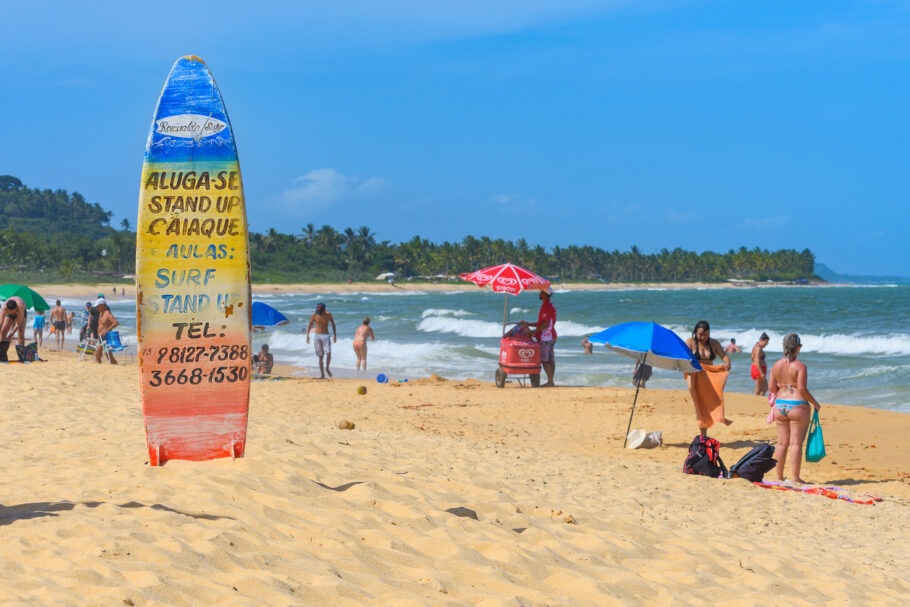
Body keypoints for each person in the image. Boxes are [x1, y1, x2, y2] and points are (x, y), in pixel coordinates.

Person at [769, 333, 820, 484]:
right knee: (796, 443)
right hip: (797, 405)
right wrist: (815, 403)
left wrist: (783, 386)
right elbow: (803, 390)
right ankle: (795, 478)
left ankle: (778, 477)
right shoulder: (800, 366)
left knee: (781, 443)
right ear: (797, 347)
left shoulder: (776, 365)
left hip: (780, 405)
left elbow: (772, 388)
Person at [685, 320, 733, 435]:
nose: (703, 337)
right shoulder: (690, 342)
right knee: (700, 404)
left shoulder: (714, 343)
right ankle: (703, 435)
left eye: (705, 334)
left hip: (710, 376)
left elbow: (723, 356)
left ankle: (717, 417)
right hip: (694, 375)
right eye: (700, 334)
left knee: (714, 400)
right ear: (695, 332)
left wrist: (727, 361)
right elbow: (682, 358)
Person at [528, 287, 557, 387]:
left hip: (546, 338)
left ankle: (550, 381)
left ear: (544, 294)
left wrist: (533, 332)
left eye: (541, 292)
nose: (539, 293)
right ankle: (551, 381)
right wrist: (529, 324)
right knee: (550, 359)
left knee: (545, 360)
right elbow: (542, 323)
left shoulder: (546, 306)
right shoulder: (550, 305)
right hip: (551, 336)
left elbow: (544, 325)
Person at [305, 302, 336, 378]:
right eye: (317, 309)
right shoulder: (314, 314)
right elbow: (309, 324)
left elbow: (333, 323)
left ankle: (327, 368)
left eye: (320, 309)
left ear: (324, 309)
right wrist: (307, 336)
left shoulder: (328, 314)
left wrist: (335, 335)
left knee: (328, 352)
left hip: (326, 335)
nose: (318, 311)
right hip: (317, 336)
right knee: (320, 356)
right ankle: (322, 374)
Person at [93, 297, 119, 364]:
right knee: (99, 355)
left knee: (106, 355)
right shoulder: (101, 313)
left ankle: (115, 365)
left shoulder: (107, 313)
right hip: (101, 337)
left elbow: (116, 322)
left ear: (103, 305)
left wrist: (107, 330)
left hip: (106, 337)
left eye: (98, 306)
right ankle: (100, 368)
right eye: (96, 306)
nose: (97, 308)